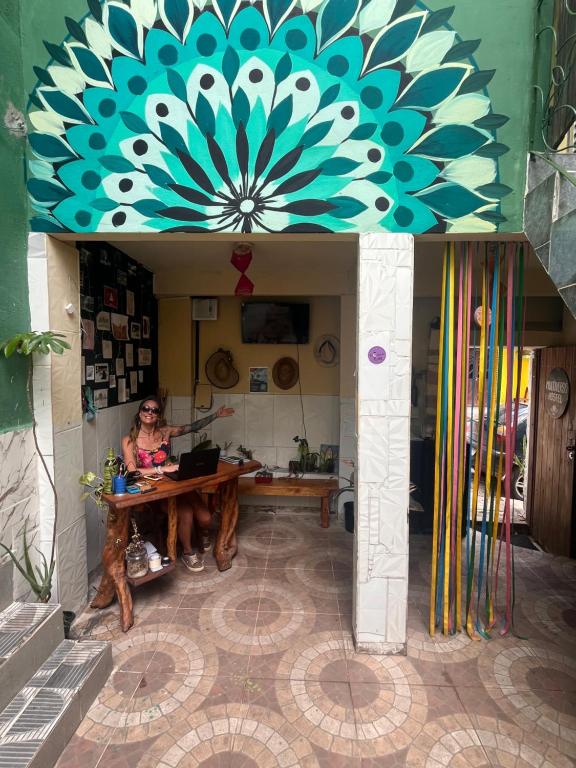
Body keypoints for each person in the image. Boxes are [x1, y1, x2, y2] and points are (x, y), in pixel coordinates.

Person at [122, 396, 234, 572]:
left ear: (158, 415)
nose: (150, 413)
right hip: (156, 490)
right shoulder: (130, 440)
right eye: (146, 409)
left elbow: (192, 427)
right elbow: (132, 471)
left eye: (155, 410)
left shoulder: (165, 432)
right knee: (186, 513)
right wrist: (161, 469)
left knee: (205, 518)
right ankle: (188, 553)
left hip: (176, 482)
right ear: (139, 412)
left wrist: (216, 415)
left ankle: (201, 533)